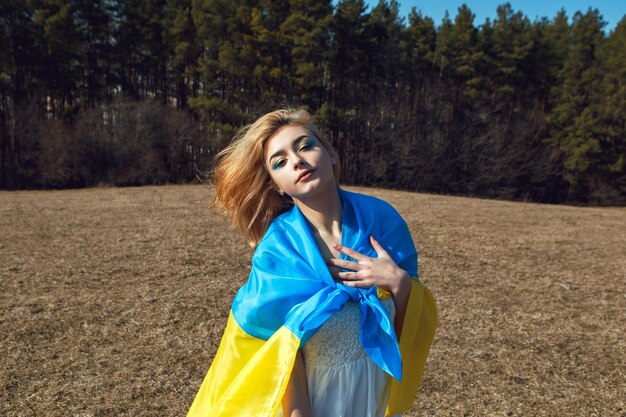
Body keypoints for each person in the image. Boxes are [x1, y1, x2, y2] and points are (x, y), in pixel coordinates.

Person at [187, 108, 437, 417]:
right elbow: (275, 347)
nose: (296, 160)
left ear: (330, 154)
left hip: (377, 396)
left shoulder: (383, 222)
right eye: (280, 162)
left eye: (305, 146)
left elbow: (404, 338)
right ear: (277, 184)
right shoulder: (278, 252)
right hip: (319, 403)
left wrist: (399, 285)